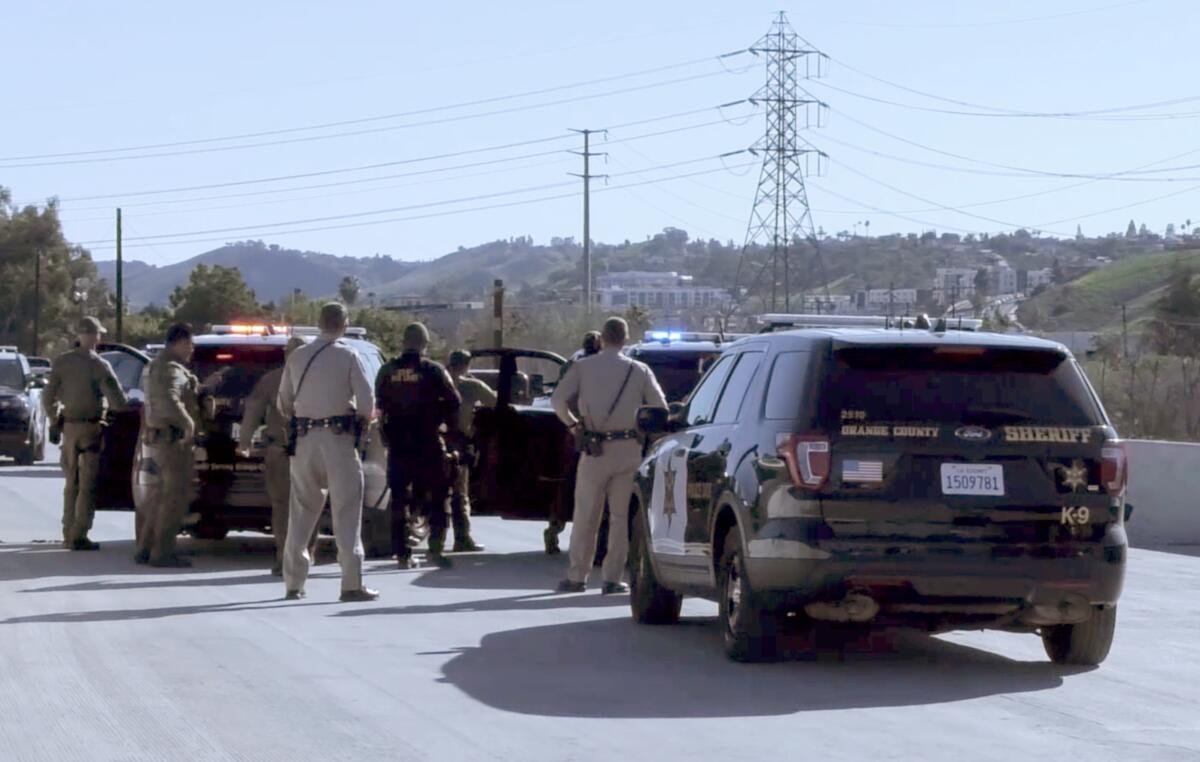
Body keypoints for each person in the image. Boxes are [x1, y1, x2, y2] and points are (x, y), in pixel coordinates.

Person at [550, 316, 667, 594]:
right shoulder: (639, 370)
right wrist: (642, 429)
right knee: (619, 516)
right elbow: (660, 408)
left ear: (601, 339)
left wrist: (574, 425)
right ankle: (612, 579)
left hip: (594, 449)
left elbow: (557, 401)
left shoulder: (583, 366)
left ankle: (577, 576)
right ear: (625, 339)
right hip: (628, 449)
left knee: (586, 515)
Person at [277, 303, 378, 602]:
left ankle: (294, 583)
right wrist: (362, 421)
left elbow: (284, 402)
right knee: (346, 512)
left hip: (305, 441)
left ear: (319, 324)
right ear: (344, 325)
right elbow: (366, 402)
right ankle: (351, 584)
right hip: (338, 441)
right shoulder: (348, 355)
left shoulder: (297, 356)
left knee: (301, 512)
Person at [375, 322, 461, 570]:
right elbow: (454, 401)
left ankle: (402, 553)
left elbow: (379, 406)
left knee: (399, 499)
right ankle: (435, 550)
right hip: (428, 441)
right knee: (439, 496)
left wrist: (387, 434)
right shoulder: (433, 370)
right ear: (424, 344)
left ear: (403, 342)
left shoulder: (387, 371)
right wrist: (448, 430)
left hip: (399, 444)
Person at [42, 316, 127, 551]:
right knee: (87, 484)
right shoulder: (99, 365)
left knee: (71, 483)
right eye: (97, 334)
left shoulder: (62, 362)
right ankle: (79, 534)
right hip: (91, 429)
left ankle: (67, 530)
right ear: (93, 336)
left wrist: (53, 420)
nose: (98, 338)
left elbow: (48, 396)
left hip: (68, 428)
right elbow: (118, 401)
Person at [238, 336, 316, 576]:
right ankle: (303, 558)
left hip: (280, 451)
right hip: (308, 452)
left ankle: (286, 559)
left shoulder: (271, 380)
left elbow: (253, 411)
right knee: (308, 506)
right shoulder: (316, 380)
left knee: (283, 508)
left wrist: (244, 442)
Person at [137, 323, 200, 567]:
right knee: (173, 499)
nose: (192, 349)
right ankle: (162, 552)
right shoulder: (171, 369)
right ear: (180, 342)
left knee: (160, 498)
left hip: (163, 439)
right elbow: (171, 398)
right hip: (174, 441)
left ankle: (145, 548)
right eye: (190, 344)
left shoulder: (157, 366)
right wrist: (188, 425)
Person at [544, 330, 602, 555]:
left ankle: (555, 529)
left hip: (574, 431)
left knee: (569, 485)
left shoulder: (574, 364)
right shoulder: (596, 366)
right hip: (586, 432)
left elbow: (559, 397)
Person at [446, 349, 496, 553]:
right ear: (467, 365)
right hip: (458, 442)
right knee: (460, 494)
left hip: (432, 441)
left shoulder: (438, 380)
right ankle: (462, 537)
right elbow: (494, 402)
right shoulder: (471, 385)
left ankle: (431, 540)